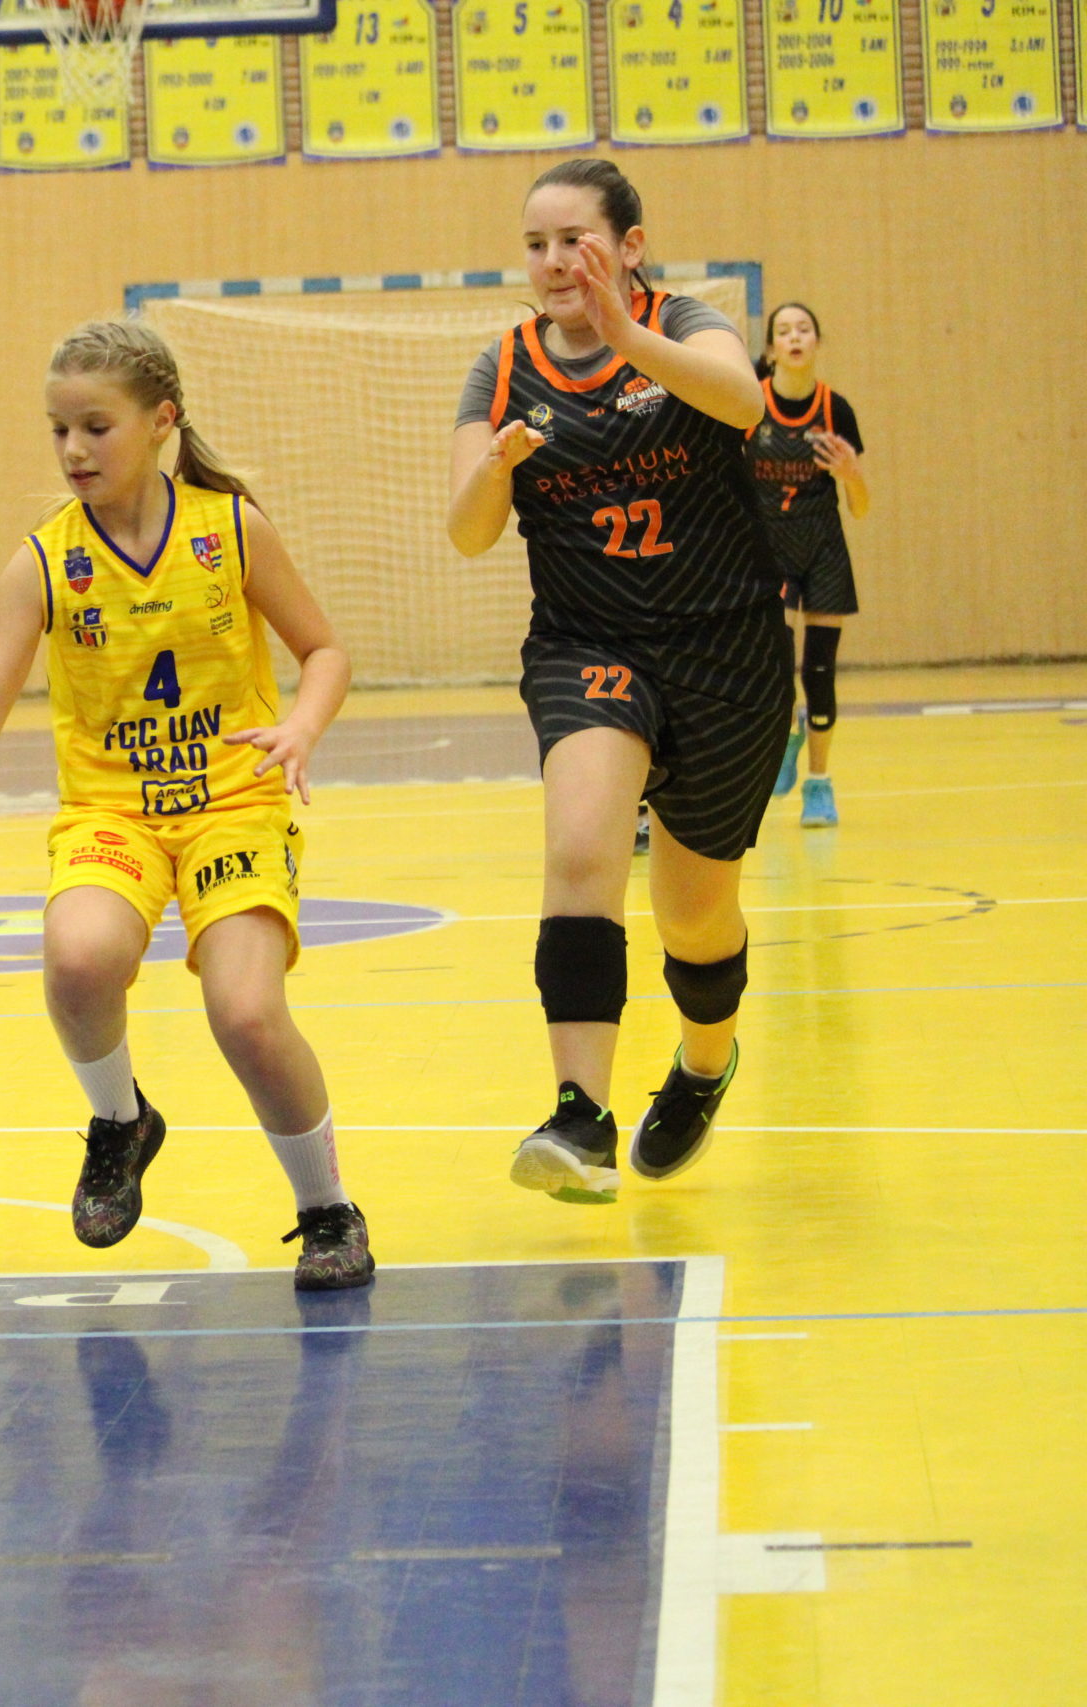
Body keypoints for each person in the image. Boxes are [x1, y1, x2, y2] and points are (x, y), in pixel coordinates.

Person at [0, 320, 374, 1291]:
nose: (72, 449)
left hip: (233, 803)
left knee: (246, 1014)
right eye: (58, 429)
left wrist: (302, 726)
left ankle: (328, 1210)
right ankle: (119, 1121)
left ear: (161, 422)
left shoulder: (231, 529)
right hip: (113, 813)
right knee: (78, 956)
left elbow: (325, 651)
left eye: (94, 427)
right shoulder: (42, 562)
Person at [446, 157, 788, 1202]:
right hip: (588, 644)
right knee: (583, 847)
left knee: (693, 916)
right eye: (536, 245)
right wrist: (495, 468)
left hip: (725, 651)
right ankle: (580, 1116)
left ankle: (703, 1062)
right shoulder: (502, 368)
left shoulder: (684, 324)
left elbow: (743, 402)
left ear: (629, 247)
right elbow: (467, 533)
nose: (554, 262)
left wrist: (627, 336)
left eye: (574, 241)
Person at [750, 302, 870, 826]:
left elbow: (860, 508)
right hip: (770, 551)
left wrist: (851, 475)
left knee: (819, 673)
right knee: (776, 670)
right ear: (772, 349)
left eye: (803, 329)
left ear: (816, 343)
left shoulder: (835, 410)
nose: (795, 337)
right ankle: (784, 735)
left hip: (822, 549)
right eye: (784, 331)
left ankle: (819, 783)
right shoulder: (749, 403)